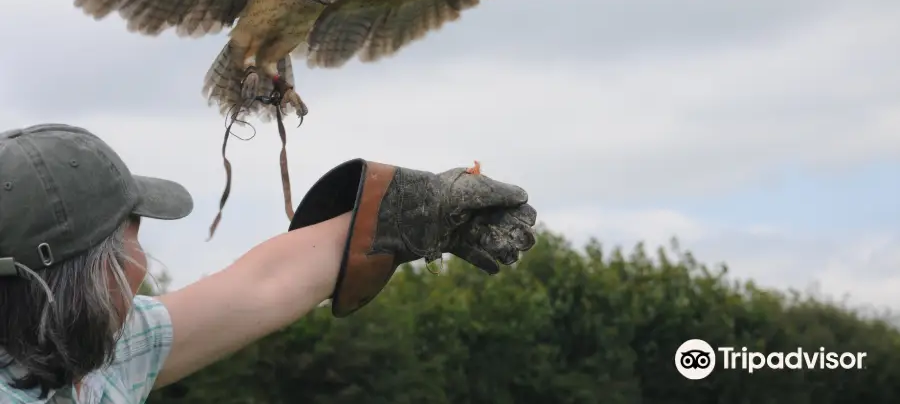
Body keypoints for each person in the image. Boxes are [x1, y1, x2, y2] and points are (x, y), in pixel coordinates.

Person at [0, 123, 537, 403]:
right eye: (131, 236)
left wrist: (424, 210)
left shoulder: (85, 354)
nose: (140, 263)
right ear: (83, 279)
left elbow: (265, 283)